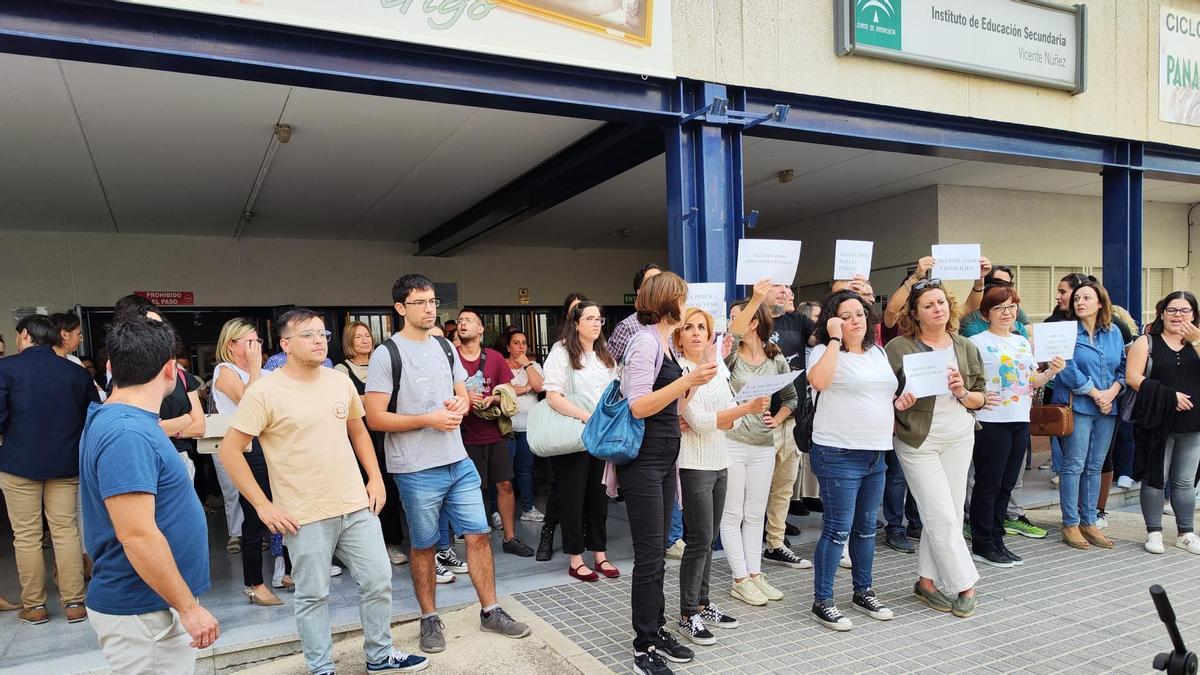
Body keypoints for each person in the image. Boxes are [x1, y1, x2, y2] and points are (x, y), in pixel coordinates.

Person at [220, 308, 427, 673]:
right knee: (313, 595)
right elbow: (230, 451)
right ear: (285, 344)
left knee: (378, 580)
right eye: (308, 334)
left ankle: (379, 656)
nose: (319, 341)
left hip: (355, 504)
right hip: (304, 513)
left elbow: (358, 431)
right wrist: (263, 506)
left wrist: (375, 478)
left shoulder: (338, 381)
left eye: (323, 334)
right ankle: (321, 667)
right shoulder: (264, 390)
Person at [365, 274, 531, 656]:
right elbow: (374, 418)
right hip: (416, 467)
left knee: (477, 535)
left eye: (433, 301)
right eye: (420, 302)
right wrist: (427, 418)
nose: (429, 308)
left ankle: (490, 610)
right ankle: (429, 618)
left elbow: (460, 393)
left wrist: (460, 403)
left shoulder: (444, 347)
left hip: (457, 459)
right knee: (424, 545)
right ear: (400, 308)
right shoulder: (386, 353)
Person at [80, 317, 218, 672]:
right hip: (143, 610)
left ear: (110, 367)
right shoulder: (127, 432)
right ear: (171, 370)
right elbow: (136, 535)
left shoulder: (122, 420)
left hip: (151, 606)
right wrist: (188, 607)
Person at [621, 271, 715, 675]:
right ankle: (644, 645)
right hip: (644, 459)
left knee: (657, 553)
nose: (687, 304)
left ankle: (656, 628)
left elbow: (672, 405)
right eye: (683, 298)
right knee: (648, 557)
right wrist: (689, 379)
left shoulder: (665, 344)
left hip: (663, 454)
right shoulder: (644, 341)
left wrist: (696, 373)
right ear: (667, 301)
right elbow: (638, 405)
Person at [886, 279, 985, 619]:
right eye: (928, 305)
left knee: (950, 514)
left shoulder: (965, 346)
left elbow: (980, 398)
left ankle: (926, 583)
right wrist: (899, 401)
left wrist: (961, 392)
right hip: (917, 439)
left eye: (941, 302)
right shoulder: (899, 346)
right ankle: (965, 584)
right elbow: (885, 396)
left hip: (959, 433)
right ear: (915, 312)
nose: (937, 309)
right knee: (940, 512)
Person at [805, 290, 898, 631]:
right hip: (838, 453)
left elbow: (883, 393)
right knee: (837, 530)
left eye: (859, 313)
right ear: (833, 320)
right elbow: (818, 381)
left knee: (865, 530)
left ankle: (863, 591)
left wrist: (899, 404)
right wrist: (833, 339)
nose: (854, 320)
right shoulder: (823, 351)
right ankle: (823, 600)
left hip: (876, 452)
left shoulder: (877, 352)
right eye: (845, 315)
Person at [0, 314, 100, 625]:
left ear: (26, 335)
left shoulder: (5, 369)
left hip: (18, 464)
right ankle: (74, 603)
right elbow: (92, 417)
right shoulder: (76, 373)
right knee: (65, 531)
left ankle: (35, 607)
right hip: (65, 465)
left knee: (26, 536)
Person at [673, 306, 762, 644]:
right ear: (679, 337)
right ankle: (687, 613)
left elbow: (729, 422)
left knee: (709, 538)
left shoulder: (716, 368)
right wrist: (742, 409)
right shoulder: (682, 371)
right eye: (689, 327)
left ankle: (703, 603)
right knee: (698, 540)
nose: (696, 333)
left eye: (702, 327)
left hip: (719, 460)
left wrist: (731, 414)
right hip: (694, 463)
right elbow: (702, 421)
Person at [967, 287, 1064, 568]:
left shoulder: (1022, 342)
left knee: (1007, 485)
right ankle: (982, 544)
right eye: (999, 308)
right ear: (987, 314)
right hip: (991, 421)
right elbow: (968, 378)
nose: (1007, 313)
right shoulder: (976, 342)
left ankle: (997, 539)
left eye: (1011, 307)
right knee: (988, 484)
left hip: (1020, 418)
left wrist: (1052, 371)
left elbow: (1032, 380)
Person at [722, 279, 800, 606]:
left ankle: (755, 574)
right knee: (732, 513)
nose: (731, 324)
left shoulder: (774, 356)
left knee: (755, 513)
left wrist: (777, 417)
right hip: (730, 441)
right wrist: (755, 298)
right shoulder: (729, 356)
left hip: (763, 444)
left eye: (739, 317)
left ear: (755, 322)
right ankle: (739, 578)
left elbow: (791, 397)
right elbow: (735, 334)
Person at [542, 302, 619, 582]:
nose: (597, 323)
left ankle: (600, 553)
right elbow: (553, 395)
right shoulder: (561, 351)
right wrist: (586, 416)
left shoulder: (605, 353)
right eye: (590, 318)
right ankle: (576, 559)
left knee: (599, 497)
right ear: (576, 323)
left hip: (601, 434)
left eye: (599, 319)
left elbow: (615, 390)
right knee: (572, 498)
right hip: (573, 433)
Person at [454, 308, 534, 557]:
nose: (462, 323)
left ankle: (510, 538)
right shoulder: (449, 358)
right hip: (463, 436)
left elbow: (508, 392)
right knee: (470, 489)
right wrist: (464, 398)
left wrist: (492, 399)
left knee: (505, 485)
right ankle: (475, 540)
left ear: (481, 329)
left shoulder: (495, 358)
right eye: (460, 320)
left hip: (495, 434)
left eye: (469, 320)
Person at [1054, 281, 1126, 551]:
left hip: (1109, 408)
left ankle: (1089, 521)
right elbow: (1067, 369)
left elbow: (1122, 366)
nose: (1080, 302)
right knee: (1074, 465)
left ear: (1100, 303)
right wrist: (1097, 394)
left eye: (1086, 298)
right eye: (1076, 299)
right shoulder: (1067, 332)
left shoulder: (1114, 332)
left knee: (1095, 466)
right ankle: (1070, 523)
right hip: (1081, 406)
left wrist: (1113, 392)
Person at [1127, 291, 1200, 554]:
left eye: (1184, 311)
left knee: (1184, 481)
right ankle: (1154, 532)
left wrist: (1198, 340)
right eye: (1172, 310)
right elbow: (1133, 378)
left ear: (1194, 314)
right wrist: (1169, 397)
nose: (1178, 316)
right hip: (1157, 421)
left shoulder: (1197, 342)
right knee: (1156, 477)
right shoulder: (1147, 342)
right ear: (1161, 312)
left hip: (1193, 423)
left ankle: (1186, 532)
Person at [336, 321, 409, 567]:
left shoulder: (383, 363)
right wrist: (378, 399)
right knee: (359, 492)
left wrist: (368, 399)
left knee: (389, 487)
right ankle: (358, 548)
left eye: (367, 335)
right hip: (356, 437)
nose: (365, 341)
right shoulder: (341, 369)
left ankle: (392, 542)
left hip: (387, 434)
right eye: (358, 337)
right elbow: (344, 402)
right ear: (349, 342)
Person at [762, 282, 817, 560]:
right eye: (777, 286)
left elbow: (821, 337)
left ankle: (775, 542)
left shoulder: (798, 321)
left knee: (783, 487)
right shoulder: (754, 320)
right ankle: (748, 545)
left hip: (792, 419)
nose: (785, 291)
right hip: (759, 421)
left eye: (787, 287)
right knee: (756, 488)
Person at [537, 291, 590, 562]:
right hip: (565, 426)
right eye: (576, 310)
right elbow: (552, 393)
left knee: (588, 489)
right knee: (561, 488)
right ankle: (547, 535)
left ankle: (583, 538)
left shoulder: (596, 350)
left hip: (590, 429)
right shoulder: (560, 350)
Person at [503, 328, 546, 523]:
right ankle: (499, 513)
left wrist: (527, 365)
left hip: (529, 426)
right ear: (508, 346)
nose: (521, 346)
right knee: (504, 473)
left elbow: (540, 387)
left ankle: (528, 508)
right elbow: (504, 390)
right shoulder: (500, 365)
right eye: (516, 342)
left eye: (524, 342)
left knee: (525, 470)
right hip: (506, 427)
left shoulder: (533, 365)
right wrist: (526, 388)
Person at [608, 262, 663, 362]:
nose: (659, 284)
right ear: (640, 292)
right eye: (652, 281)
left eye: (661, 279)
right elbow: (608, 366)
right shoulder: (626, 327)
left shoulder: (674, 323)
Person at [958, 266, 1032, 338]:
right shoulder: (973, 323)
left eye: (1008, 284)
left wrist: (1010, 328)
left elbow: (1029, 329)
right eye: (998, 308)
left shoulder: (1018, 325)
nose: (1006, 312)